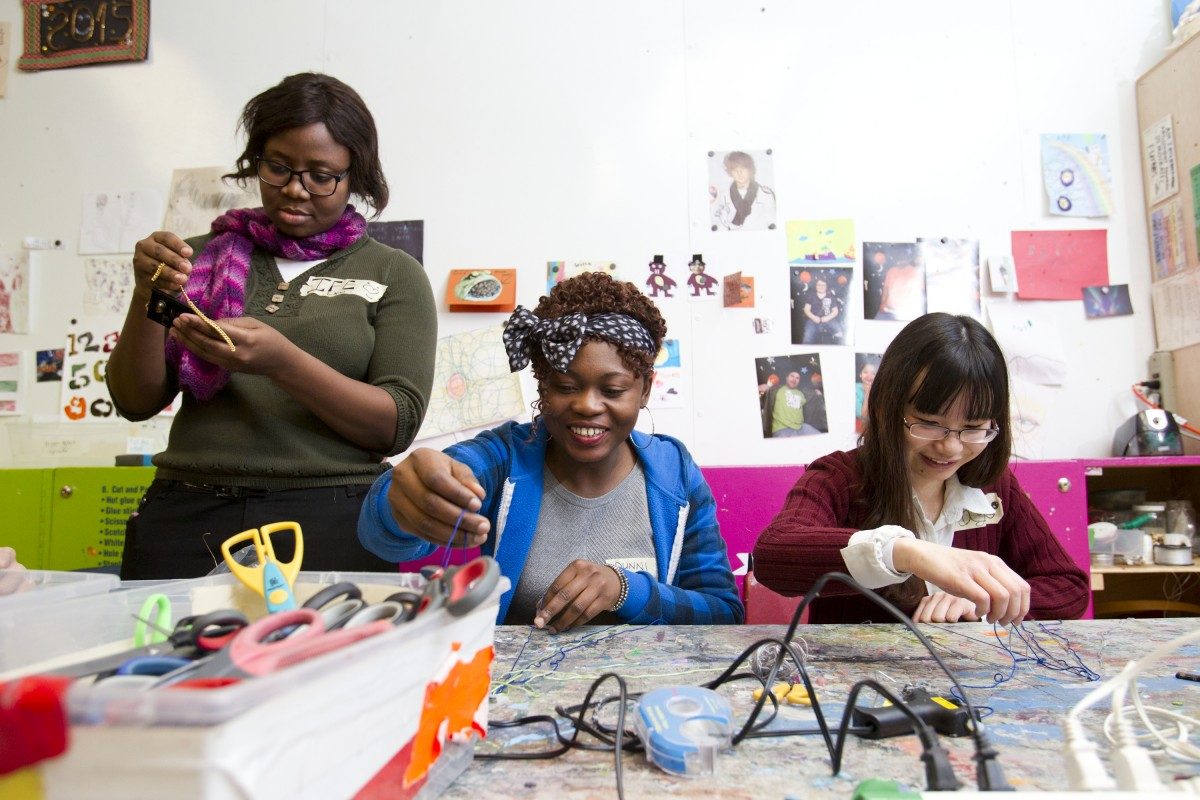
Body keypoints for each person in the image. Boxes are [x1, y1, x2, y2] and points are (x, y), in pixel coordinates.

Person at [107, 73, 437, 579]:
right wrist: (145, 293)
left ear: (356, 177)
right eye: (277, 167)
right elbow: (135, 400)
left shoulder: (393, 273)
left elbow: (396, 424)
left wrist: (282, 363)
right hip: (187, 514)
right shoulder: (196, 256)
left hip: (332, 519)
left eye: (321, 175)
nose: (294, 190)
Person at [358, 272, 743, 630]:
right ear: (542, 386)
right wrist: (398, 498)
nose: (588, 406)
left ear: (644, 389)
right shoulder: (506, 457)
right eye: (565, 385)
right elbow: (383, 533)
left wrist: (626, 589)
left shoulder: (675, 474)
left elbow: (724, 612)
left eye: (612, 390)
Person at [753, 313, 1089, 625]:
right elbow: (774, 554)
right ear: (887, 407)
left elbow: (1068, 587)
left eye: (973, 427)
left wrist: (982, 605)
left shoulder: (993, 487)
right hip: (864, 683)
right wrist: (909, 553)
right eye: (929, 424)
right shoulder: (841, 478)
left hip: (970, 680)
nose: (951, 447)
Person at [711, 151, 777, 231]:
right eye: (735, 170)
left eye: (743, 169)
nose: (739, 173)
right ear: (730, 172)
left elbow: (772, 223)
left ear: (750, 170)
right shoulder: (723, 195)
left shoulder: (765, 194)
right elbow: (717, 223)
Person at [761, 370, 819, 438]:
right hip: (782, 429)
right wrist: (766, 387)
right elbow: (766, 390)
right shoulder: (777, 390)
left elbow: (811, 399)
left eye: (797, 378)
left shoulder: (801, 393)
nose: (794, 379)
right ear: (786, 378)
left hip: (801, 427)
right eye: (792, 376)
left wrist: (816, 393)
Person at [801, 277, 844, 344]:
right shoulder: (811, 296)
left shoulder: (831, 296)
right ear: (816, 286)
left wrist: (827, 318)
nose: (821, 286)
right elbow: (806, 309)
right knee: (807, 337)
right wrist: (814, 317)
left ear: (826, 287)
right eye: (819, 285)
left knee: (839, 333)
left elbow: (835, 311)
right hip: (813, 320)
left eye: (823, 285)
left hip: (829, 319)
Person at [855, 359, 878, 434]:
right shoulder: (855, 388)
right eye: (865, 372)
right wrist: (867, 393)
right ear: (860, 374)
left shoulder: (879, 390)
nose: (869, 376)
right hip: (859, 425)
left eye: (873, 373)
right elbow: (862, 416)